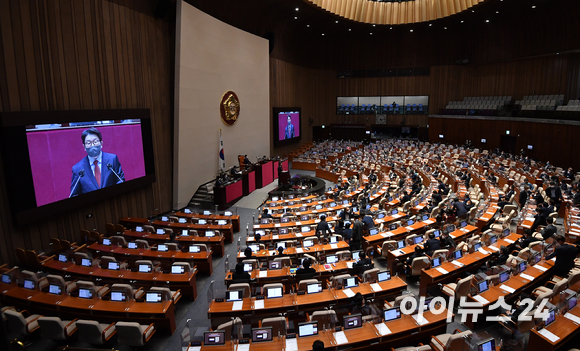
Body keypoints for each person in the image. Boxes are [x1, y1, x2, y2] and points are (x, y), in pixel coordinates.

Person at [70, 127, 125, 197]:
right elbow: (74, 194)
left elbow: (120, 180)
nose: (92, 145)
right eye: (88, 143)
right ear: (84, 147)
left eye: (95, 142)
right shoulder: (77, 169)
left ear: (101, 143)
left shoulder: (112, 159)